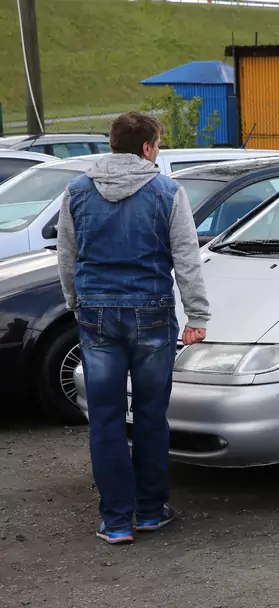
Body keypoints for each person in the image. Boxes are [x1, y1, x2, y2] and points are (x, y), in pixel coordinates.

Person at [57, 112, 210, 545]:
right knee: (149, 415)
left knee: (104, 419)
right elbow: (186, 257)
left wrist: (76, 303)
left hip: (97, 314)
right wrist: (197, 316)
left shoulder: (77, 191)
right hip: (152, 313)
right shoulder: (167, 191)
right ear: (146, 148)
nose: (157, 154)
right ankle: (150, 510)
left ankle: (117, 520)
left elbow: (67, 256)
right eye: (157, 146)